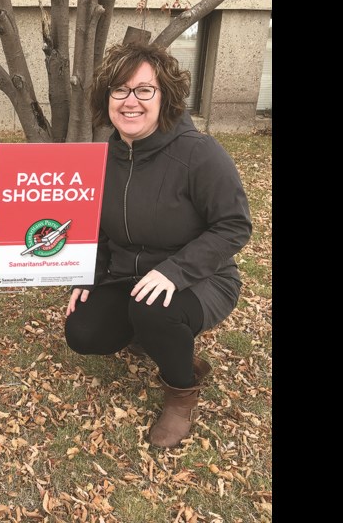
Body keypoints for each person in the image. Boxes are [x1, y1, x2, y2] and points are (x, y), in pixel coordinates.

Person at [64, 42, 252, 449]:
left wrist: (174, 271)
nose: (130, 101)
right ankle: (160, 340)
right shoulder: (100, 159)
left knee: (154, 308)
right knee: (83, 331)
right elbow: (91, 228)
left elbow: (234, 225)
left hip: (202, 277)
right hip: (127, 273)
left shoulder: (199, 154)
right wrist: (88, 274)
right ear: (106, 99)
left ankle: (181, 391)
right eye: (119, 90)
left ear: (164, 95)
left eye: (143, 90)